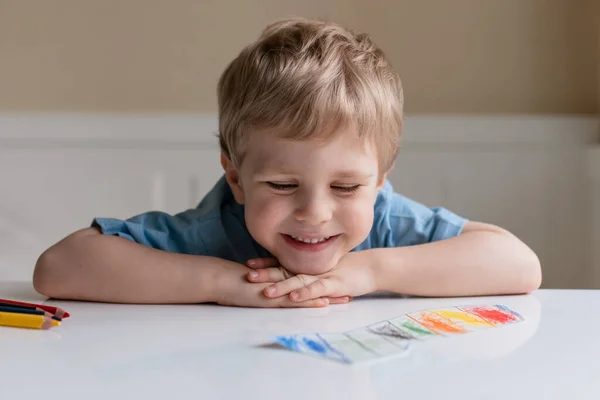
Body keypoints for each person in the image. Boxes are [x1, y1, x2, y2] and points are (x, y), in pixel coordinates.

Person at [32, 17, 541, 307]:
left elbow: (520, 264)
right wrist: (223, 284)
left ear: (380, 179)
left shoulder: (387, 224)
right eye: (280, 184)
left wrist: (371, 270)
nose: (315, 212)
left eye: (345, 188)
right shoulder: (216, 233)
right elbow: (58, 269)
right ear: (236, 176)